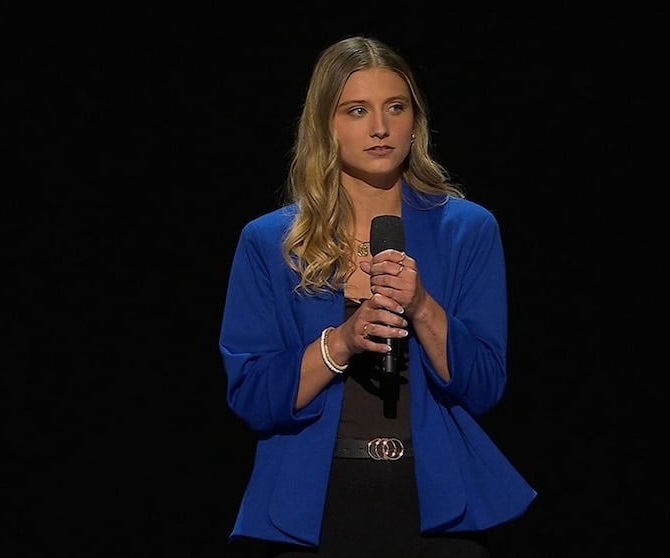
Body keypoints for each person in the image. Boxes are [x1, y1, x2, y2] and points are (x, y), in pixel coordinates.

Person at [218, 35, 536, 557]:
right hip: (314, 510)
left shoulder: (467, 230)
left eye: (396, 107)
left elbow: (484, 387)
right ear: (326, 125)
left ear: (416, 121)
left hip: (436, 506)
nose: (381, 127)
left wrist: (424, 307)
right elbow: (252, 396)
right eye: (357, 110)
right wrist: (339, 344)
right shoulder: (271, 241)